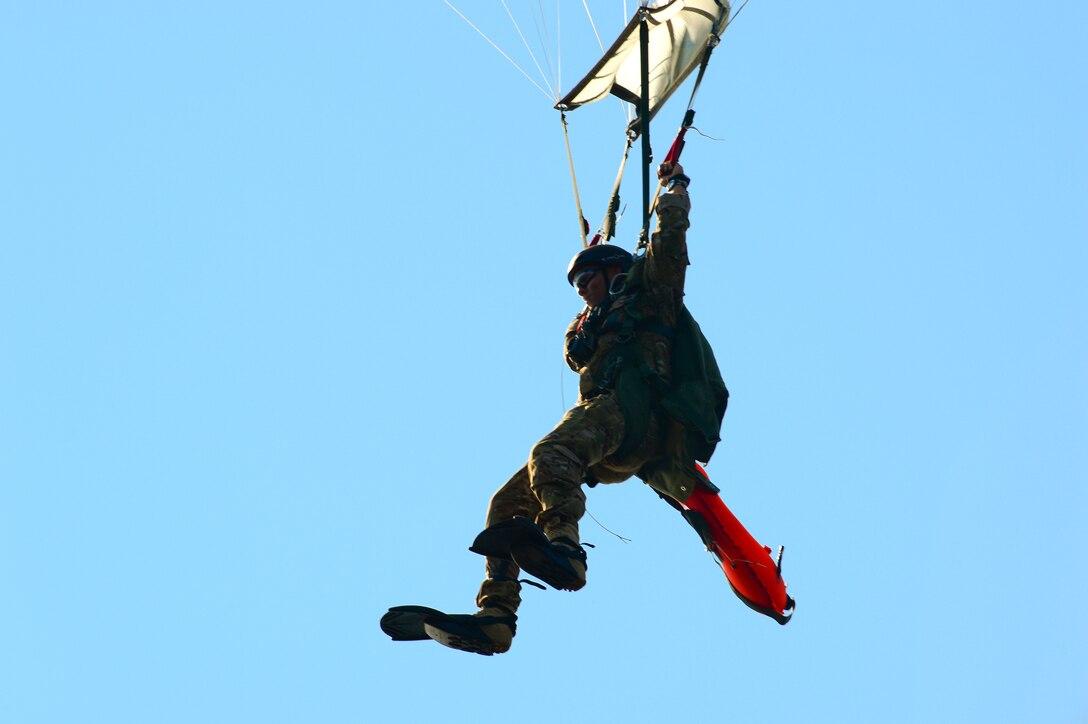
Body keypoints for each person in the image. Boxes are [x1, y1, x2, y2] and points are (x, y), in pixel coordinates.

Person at [392, 161, 720, 655]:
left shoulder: (653, 297)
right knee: (504, 506)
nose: (581, 287)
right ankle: (496, 616)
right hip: (606, 433)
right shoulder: (590, 327)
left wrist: (672, 189)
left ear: (616, 275)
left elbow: (670, 243)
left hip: (638, 417)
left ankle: (566, 548)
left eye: (589, 276)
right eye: (577, 282)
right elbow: (575, 351)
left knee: (549, 453)